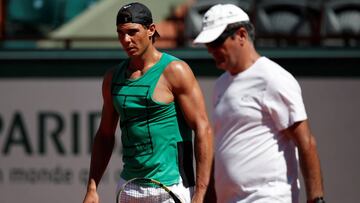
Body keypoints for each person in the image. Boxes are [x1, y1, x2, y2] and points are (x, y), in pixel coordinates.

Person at [82, 2, 213, 203]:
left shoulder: (176, 71)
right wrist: (92, 186)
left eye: (133, 32)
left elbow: (203, 129)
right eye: (120, 33)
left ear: (151, 30)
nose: (126, 40)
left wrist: (200, 194)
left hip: (172, 187)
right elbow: (105, 135)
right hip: (129, 187)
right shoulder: (112, 78)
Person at [194, 4, 325, 203]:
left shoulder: (273, 78)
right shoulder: (221, 84)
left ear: (241, 35)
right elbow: (222, 145)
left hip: (268, 197)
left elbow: (306, 142)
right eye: (208, 44)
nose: (211, 50)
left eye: (217, 41)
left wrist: (316, 199)